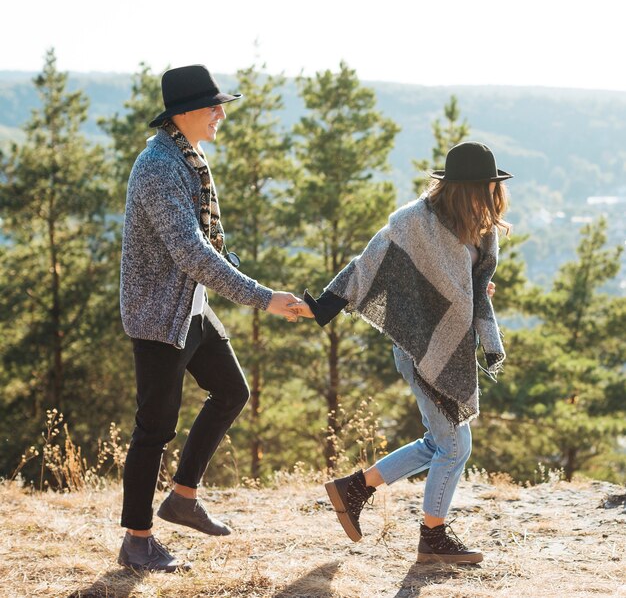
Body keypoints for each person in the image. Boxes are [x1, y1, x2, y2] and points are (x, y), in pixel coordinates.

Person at [118, 64, 302, 572]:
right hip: (160, 318)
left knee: (232, 392)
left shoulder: (189, 157)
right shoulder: (158, 168)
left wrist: (247, 280)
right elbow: (192, 254)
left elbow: (209, 246)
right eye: (214, 105)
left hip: (191, 310)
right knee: (154, 430)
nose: (221, 113)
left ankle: (182, 498)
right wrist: (264, 297)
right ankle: (137, 540)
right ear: (184, 114)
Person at [297, 141, 512, 564]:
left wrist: (474, 292)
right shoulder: (416, 221)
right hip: (417, 346)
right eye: (488, 185)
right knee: (454, 447)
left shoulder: (479, 231)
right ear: (467, 188)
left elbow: (462, 284)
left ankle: (354, 488)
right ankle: (432, 537)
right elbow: (367, 263)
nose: (494, 194)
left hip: (454, 345)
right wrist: (325, 305)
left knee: (439, 442)